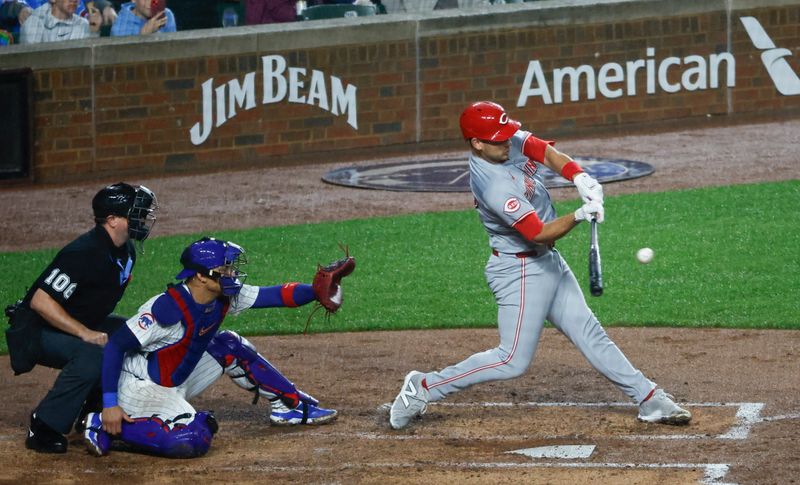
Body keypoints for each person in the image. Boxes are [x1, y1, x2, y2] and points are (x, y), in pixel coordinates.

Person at [389, 101, 692, 430]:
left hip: (547, 261)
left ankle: (648, 398)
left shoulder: (498, 140)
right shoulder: (493, 184)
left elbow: (541, 150)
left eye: (507, 135)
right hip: (519, 272)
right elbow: (537, 233)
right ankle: (423, 387)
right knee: (511, 360)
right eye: (499, 139)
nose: (508, 141)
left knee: (590, 332)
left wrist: (579, 176)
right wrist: (579, 215)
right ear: (477, 143)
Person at [83, 237, 347, 458]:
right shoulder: (167, 308)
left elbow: (274, 295)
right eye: (225, 269)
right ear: (200, 276)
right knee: (193, 438)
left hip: (178, 376)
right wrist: (110, 403)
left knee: (228, 344)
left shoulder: (223, 294)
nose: (231, 274)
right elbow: (116, 346)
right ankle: (104, 424)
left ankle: (289, 407)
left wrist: (315, 291)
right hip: (143, 386)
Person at [8, 183, 157, 453]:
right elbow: (41, 302)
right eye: (134, 214)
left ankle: (93, 411)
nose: (141, 219)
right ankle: (44, 426)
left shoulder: (125, 251)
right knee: (93, 352)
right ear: (111, 220)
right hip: (35, 329)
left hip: (71, 322)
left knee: (131, 333)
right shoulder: (84, 253)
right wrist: (84, 333)